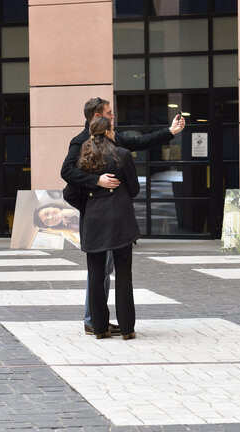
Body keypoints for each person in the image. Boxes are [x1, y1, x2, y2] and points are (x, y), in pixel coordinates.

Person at [60, 97, 185, 336]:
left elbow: (139, 141)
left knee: (100, 272)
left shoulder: (114, 139)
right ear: (98, 117)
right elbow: (66, 173)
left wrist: (169, 132)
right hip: (112, 219)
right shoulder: (79, 143)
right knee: (106, 274)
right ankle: (97, 322)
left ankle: (98, 325)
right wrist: (97, 184)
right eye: (109, 113)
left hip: (98, 220)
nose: (113, 116)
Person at [77, 117, 140, 340]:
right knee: (124, 275)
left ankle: (100, 328)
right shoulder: (122, 155)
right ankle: (126, 329)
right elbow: (134, 189)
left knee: (95, 275)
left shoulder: (85, 155)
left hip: (94, 220)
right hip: (120, 220)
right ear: (109, 132)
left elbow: (74, 188)